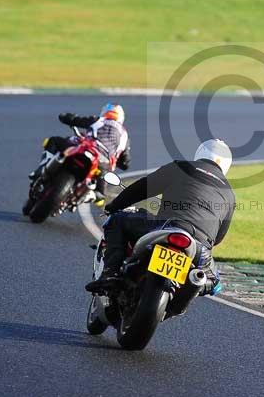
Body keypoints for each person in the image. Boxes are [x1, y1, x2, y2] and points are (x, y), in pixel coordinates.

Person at [85, 139, 235, 296]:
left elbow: (142, 188)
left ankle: (111, 274)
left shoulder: (181, 167)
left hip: (166, 227)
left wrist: (113, 207)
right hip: (200, 247)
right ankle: (192, 285)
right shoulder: (229, 193)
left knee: (117, 220)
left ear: (201, 153)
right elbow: (218, 238)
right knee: (214, 282)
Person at [28, 103, 131, 206]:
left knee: (53, 141)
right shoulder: (125, 136)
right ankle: (88, 195)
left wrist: (66, 117)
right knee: (100, 198)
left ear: (104, 112)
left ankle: (41, 169)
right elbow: (125, 163)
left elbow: (73, 119)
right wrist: (118, 161)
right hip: (103, 163)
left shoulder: (99, 120)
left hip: (86, 149)